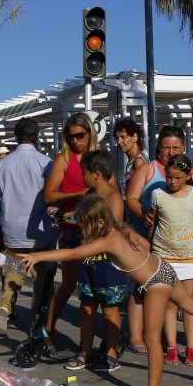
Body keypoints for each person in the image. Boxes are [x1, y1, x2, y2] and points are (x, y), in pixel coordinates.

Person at [22, 196, 193, 386]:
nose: (82, 230)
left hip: (154, 283)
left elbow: (73, 254)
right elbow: (146, 247)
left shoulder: (107, 241)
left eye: (84, 225)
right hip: (162, 268)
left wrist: (38, 256)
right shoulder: (120, 227)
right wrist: (68, 215)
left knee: (151, 338)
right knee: (192, 305)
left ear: (99, 222)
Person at [125, 125, 193, 354]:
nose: (170, 152)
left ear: (184, 147)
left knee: (173, 294)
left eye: (175, 147)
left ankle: (168, 339)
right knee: (142, 288)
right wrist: (143, 213)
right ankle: (137, 337)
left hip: (180, 245)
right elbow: (131, 197)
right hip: (145, 236)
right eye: (165, 147)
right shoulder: (148, 169)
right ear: (158, 148)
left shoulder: (192, 173)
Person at [0, 117, 53, 336]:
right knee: (41, 284)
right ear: (37, 137)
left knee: (12, 278)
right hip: (39, 234)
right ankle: (36, 323)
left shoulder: (2, 165)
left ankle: (4, 308)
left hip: (12, 232)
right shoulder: (46, 163)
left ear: (16, 137)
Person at [65, 151, 127, 372]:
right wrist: (72, 217)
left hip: (108, 262)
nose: (82, 176)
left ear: (97, 173)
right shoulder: (90, 194)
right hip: (87, 259)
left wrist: (85, 222)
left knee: (110, 308)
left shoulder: (114, 198)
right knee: (87, 306)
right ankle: (85, 350)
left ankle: (111, 351)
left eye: (84, 172)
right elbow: (84, 217)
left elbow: (115, 228)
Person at [43, 113, 99, 348]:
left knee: (96, 285)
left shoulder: (98, 158)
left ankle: (90, 342)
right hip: (71, 229)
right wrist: (79, 196)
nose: (75, 140)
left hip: (95, 228)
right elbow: (49, 195)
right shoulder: (63, 159)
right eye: (70, 135)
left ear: (89, 133)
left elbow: (111, 189)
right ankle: (47, 329)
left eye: (80, 135)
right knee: (68, 283)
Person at [148, 154, 193, 367]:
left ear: (188, 176)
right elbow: (154, 222)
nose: (172, 182)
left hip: (190, 257)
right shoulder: (157, 194)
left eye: (178, 178)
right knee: (169, 304)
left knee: (190, 303)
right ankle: (172, 348)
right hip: (163, 256)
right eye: (169, 177)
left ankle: (192, 348)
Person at [113, 117, 149, 357]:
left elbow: (138, 197)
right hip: (130, 226)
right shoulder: (130, 163)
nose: (120, 141)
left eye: (124, 136)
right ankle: (134, 331)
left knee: (138, 281)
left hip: (137, 227)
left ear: (136, 136)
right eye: (117, 137)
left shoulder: (139, 163)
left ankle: (136, 334)